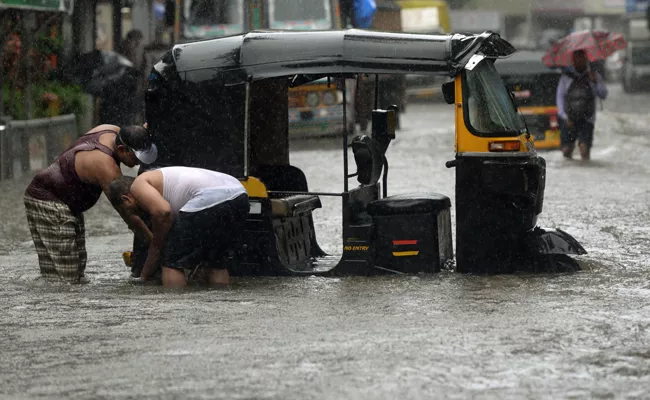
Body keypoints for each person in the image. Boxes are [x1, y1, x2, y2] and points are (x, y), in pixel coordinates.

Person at [24, 124, 157, 283]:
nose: (136, 164)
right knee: (67, 276)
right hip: (49, 200)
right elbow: (130, 215)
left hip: (68, 202)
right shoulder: (105, 166)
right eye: (136, 158)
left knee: (77, 269)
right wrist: (155, 245)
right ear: (122, 150)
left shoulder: (111, 130)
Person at [107, 166, 249, 289]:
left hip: (209, 198)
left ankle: (175, 312)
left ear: (127, 199)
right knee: (215, 262)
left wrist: (144, 277)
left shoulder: (138, 185)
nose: (131, 214)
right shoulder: (162, 181)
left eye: (126, 209)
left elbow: (164, 212)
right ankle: (221, 303)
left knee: (171, 262)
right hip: (239, 196)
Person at [556, 50, 608, 160]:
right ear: (573, 61)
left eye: (582, 58)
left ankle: (587, 173)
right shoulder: (566, 77)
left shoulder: (593, 75)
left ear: (586, 59)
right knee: (566, 151)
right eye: (576, 58)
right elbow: (560, 98)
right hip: (569, 118)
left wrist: (596, 82)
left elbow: (603, 94)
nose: (579, 61)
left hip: (587, 119)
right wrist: (565, 117)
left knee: (584, 150)